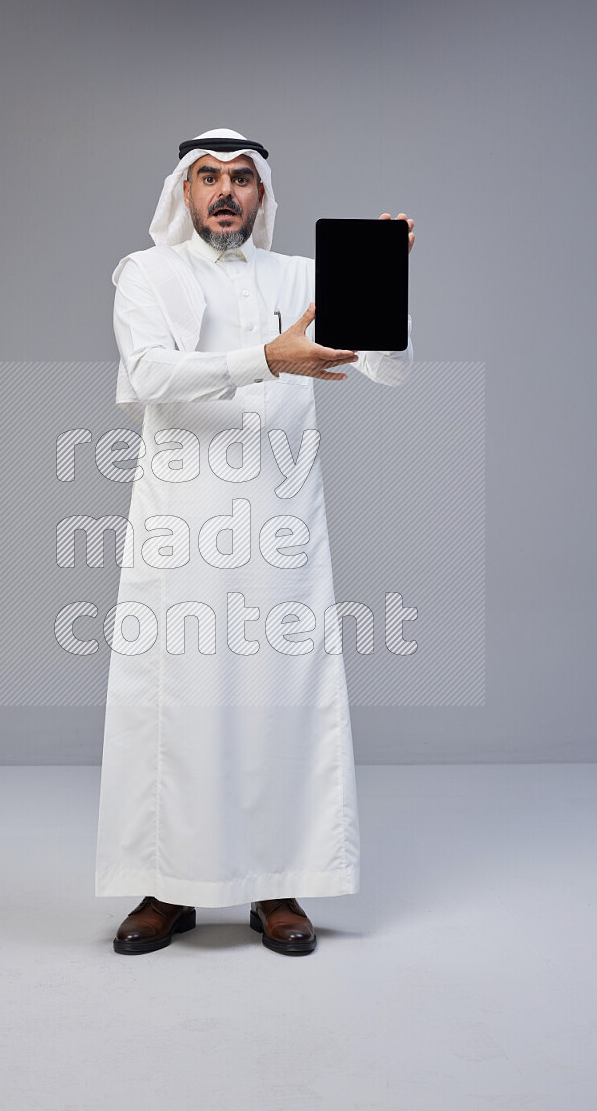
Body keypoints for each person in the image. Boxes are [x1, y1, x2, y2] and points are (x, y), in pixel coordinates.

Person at [95, 128, 415, 956]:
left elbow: (386, 369)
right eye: (208, 177)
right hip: (180, 530)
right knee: (175, 706)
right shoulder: (147, 273)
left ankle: (277, 884)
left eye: (242, 177)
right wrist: (266, 358)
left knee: (282, 700)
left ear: (264, 195)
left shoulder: (302, 279)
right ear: (184, 191)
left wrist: (386, 282)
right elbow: (152, 375)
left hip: (280, 532)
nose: (226, 190)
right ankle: (168, 887)